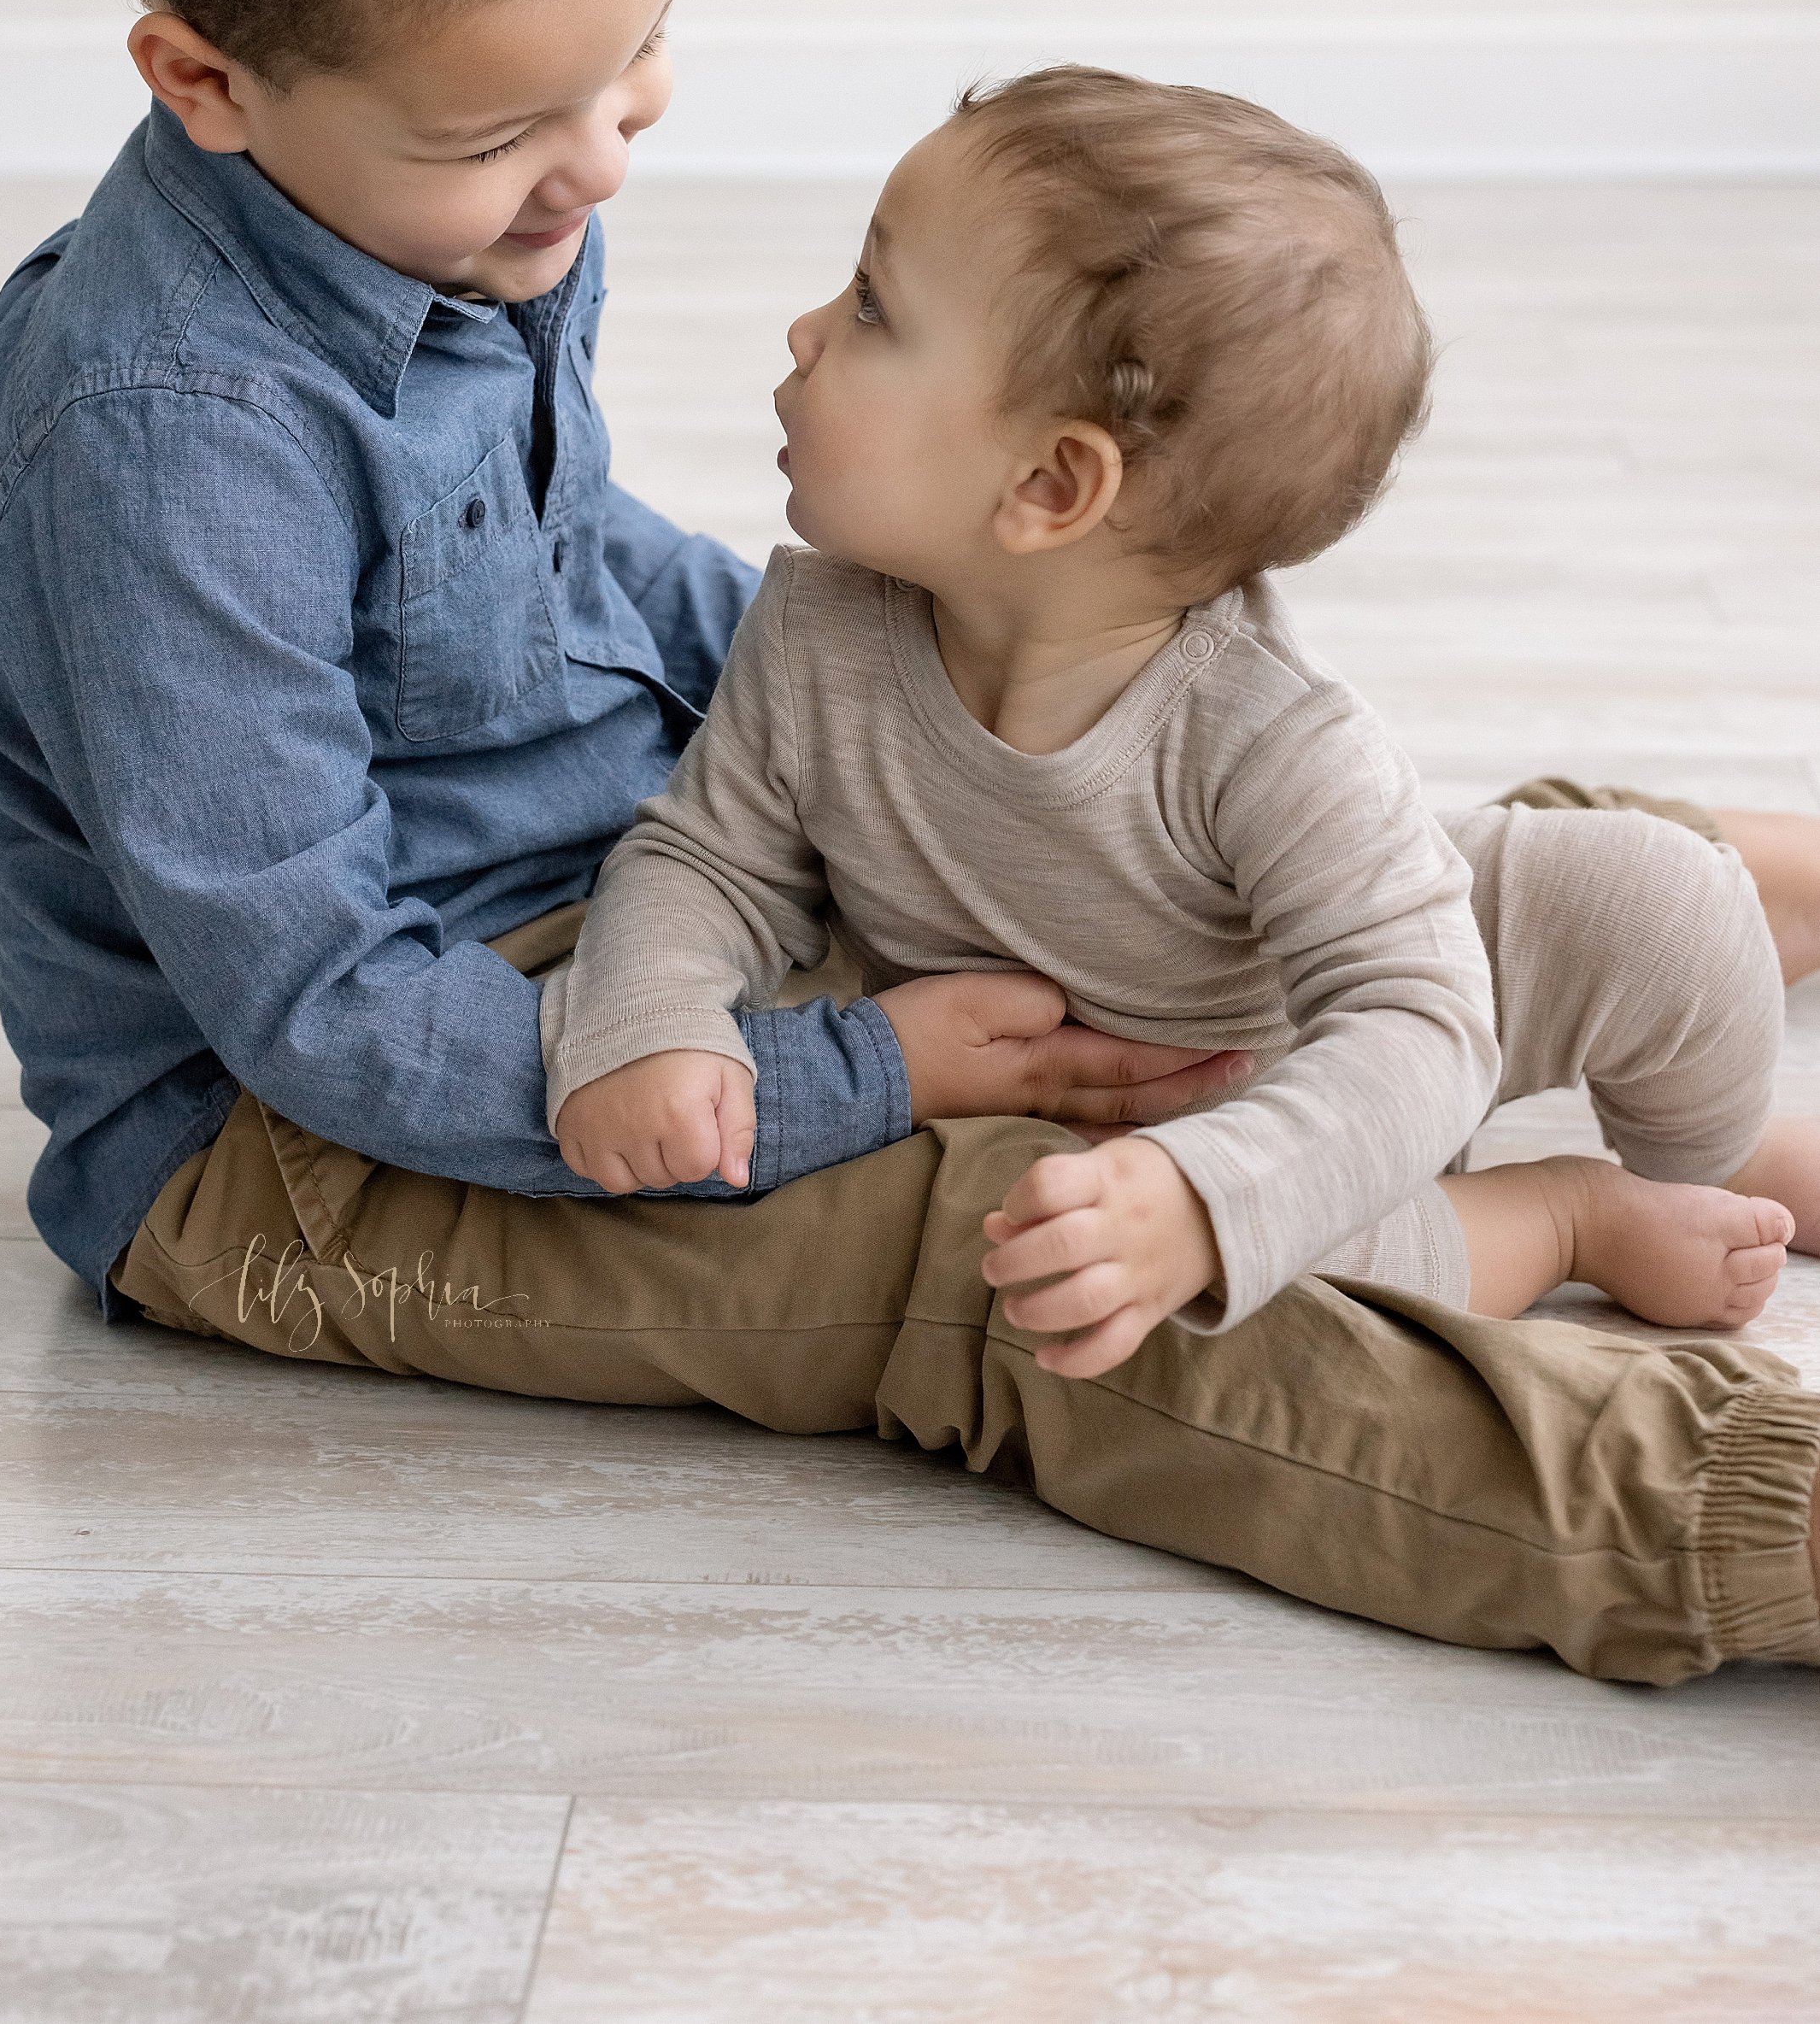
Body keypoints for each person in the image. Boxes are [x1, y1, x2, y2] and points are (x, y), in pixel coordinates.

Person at [0, 0, 1820, 1690]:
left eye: (632, 73)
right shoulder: (159, 440)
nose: (598, 171)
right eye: (504, 131)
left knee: (1140, 801)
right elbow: (323, 1003)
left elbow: (553, 559)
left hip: (660, 882)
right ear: (206, 83)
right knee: (1014, 1266)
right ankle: (1727, 1516)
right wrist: (862, 1072)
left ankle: (1654, 893)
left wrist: (919, 675)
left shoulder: (467, 215)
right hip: (310, 1141)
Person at [543, 68, 1819, 1371]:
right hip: (1132, 1116)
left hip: (1337, 1060)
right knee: (1136, 1288)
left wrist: (1214, 1198)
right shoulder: (818, 633)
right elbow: (709, 858)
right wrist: (649, 1018)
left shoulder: (1273, 738)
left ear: (1049, 483)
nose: (808, 332)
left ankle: (1704, 1153)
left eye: (872, 307)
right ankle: (1561, 1219)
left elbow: (1419, 1028)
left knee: (1664, 909)